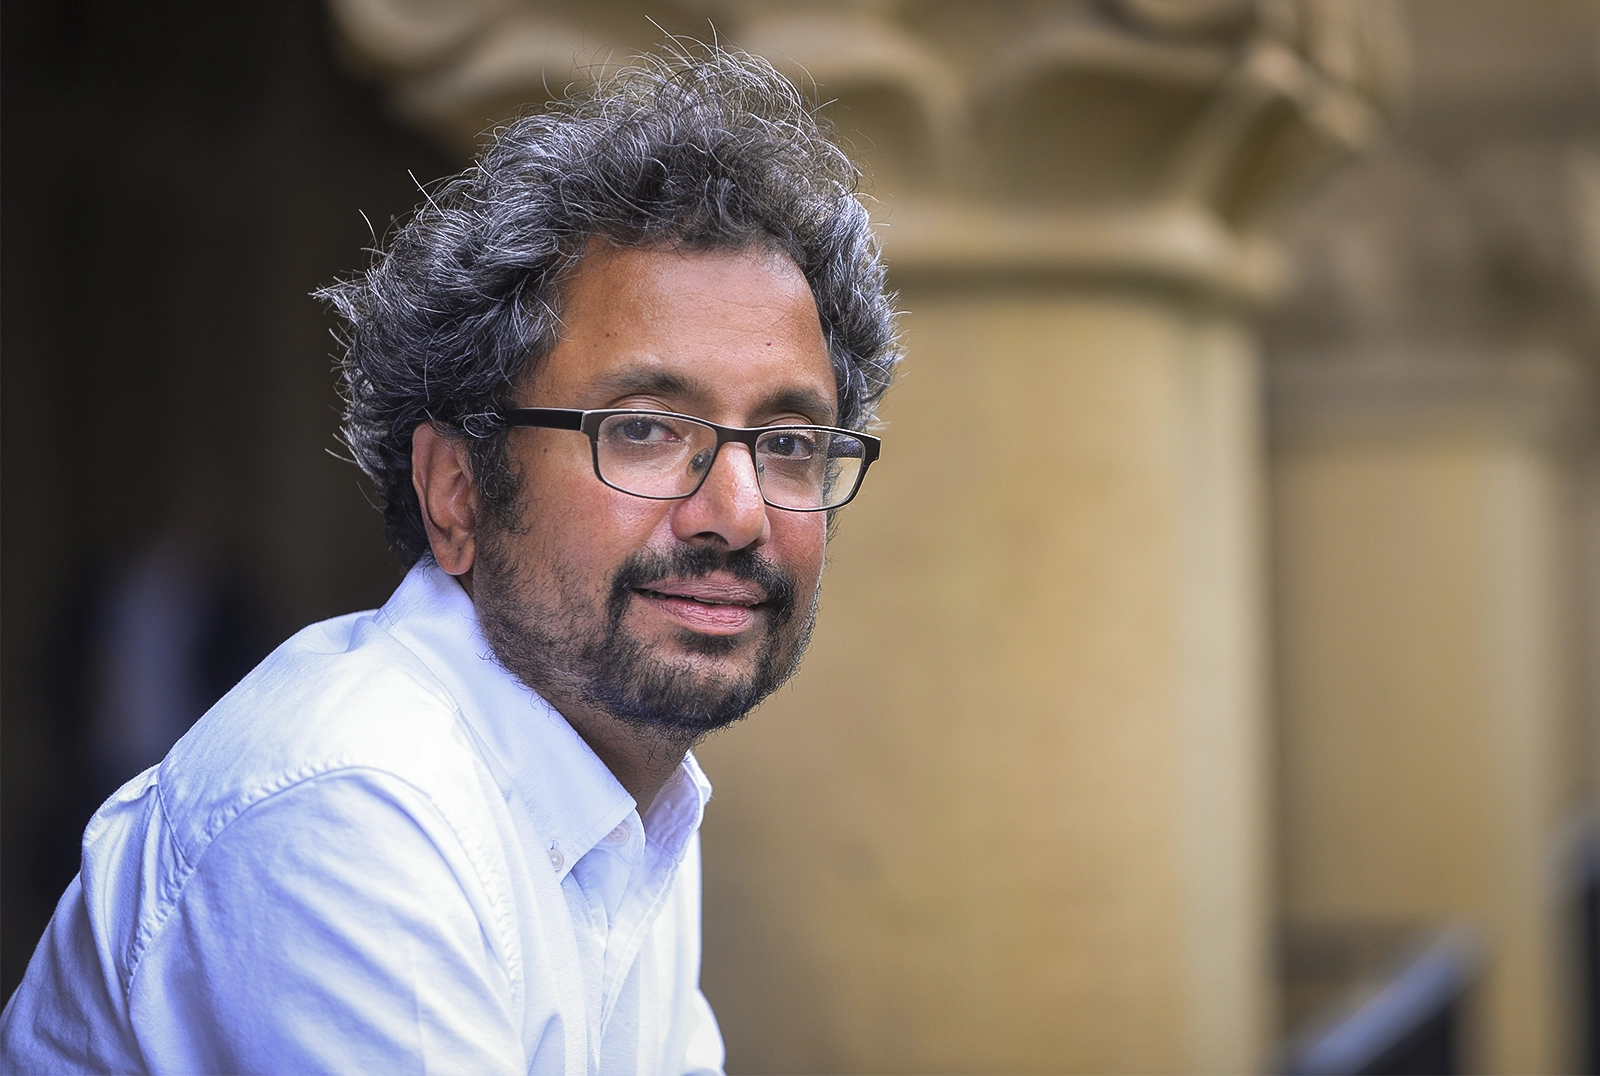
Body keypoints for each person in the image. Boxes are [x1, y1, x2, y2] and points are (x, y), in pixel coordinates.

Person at [0, 46, 899, 1075]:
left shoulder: (629, 792)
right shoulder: (356, 805)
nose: (737, 512)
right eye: (645, 428)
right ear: (457, 490)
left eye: (787, 441)